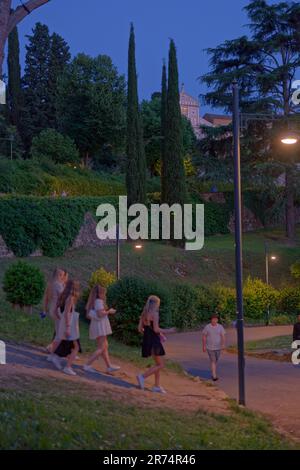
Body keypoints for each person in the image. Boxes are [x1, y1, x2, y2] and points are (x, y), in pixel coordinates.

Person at [136, 295, 175, 394]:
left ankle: (156, 386)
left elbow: (140, 329)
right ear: (156, 304)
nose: (159, 306)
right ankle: (142, 377)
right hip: (154, 341)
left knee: (158, 363)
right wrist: (169, 330)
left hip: (147, 339)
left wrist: (148, 332)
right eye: (158, 304)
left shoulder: (144, 313)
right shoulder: (155, 314)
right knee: (161, 364)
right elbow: (156, 329)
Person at [83, 285, 120, 374]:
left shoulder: (94, 301)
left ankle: (109, 366)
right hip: (100, 326)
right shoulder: (99, 301)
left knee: (104, 345)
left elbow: (93, 314)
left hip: (97, 325)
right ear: (100, 294)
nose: (105, 295)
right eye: (104, 293)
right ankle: (87, 364)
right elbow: (100, 314)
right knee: (102, 347)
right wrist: (109, 311)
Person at [54, 280, 81, 376]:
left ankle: (56, 358)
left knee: (65, 342)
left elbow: (60, 310)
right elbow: (67, 313)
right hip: (69, 324)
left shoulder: (67, 297)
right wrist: (68, 327)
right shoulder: (71, 298)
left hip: (68, 323)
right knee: (76, 346)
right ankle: (67, 367)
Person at [43, 268, 68, 359]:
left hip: (53, 308)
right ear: (56, 275)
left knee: (59, 330)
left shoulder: (52, 284)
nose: (62, 277)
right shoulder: (57, 284)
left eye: (62, 275)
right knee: (60, 331)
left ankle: (52, 348)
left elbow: (46, 298)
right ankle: (52, 350)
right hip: (57, 310)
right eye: (60, 275)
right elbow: (64, 296)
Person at [202, 313, 226, 382]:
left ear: (217, 320)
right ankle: (214, 376)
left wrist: (223, 344)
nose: (214, 321)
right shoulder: (207, 327)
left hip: (218, 347)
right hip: (210, 347)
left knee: (216, 360)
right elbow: (204, 337)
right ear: (211, 320)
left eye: (215, 319)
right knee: (213, 361)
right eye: (213, 319)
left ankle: (213, 370)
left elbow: (223, 336)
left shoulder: (220, 327)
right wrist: (204, 346)